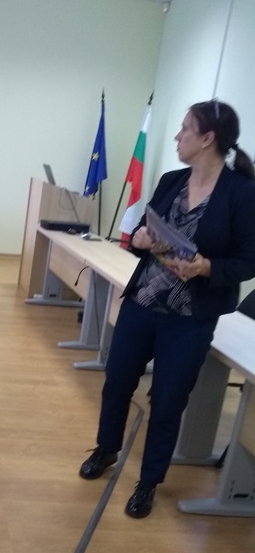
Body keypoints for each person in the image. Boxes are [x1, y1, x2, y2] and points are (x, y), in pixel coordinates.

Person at [79, 99, 255, 518]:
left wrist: (206, 266)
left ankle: (148, 481)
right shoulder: (172, 180)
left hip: (190, 319)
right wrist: (141, 238)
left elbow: (248, 260)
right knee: (116, 383)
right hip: (143, 302)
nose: (177, 136)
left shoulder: (241, 192)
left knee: (167, 401)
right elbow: (147, 230)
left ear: (207, 138)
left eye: (185, 129)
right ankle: (106, 448)